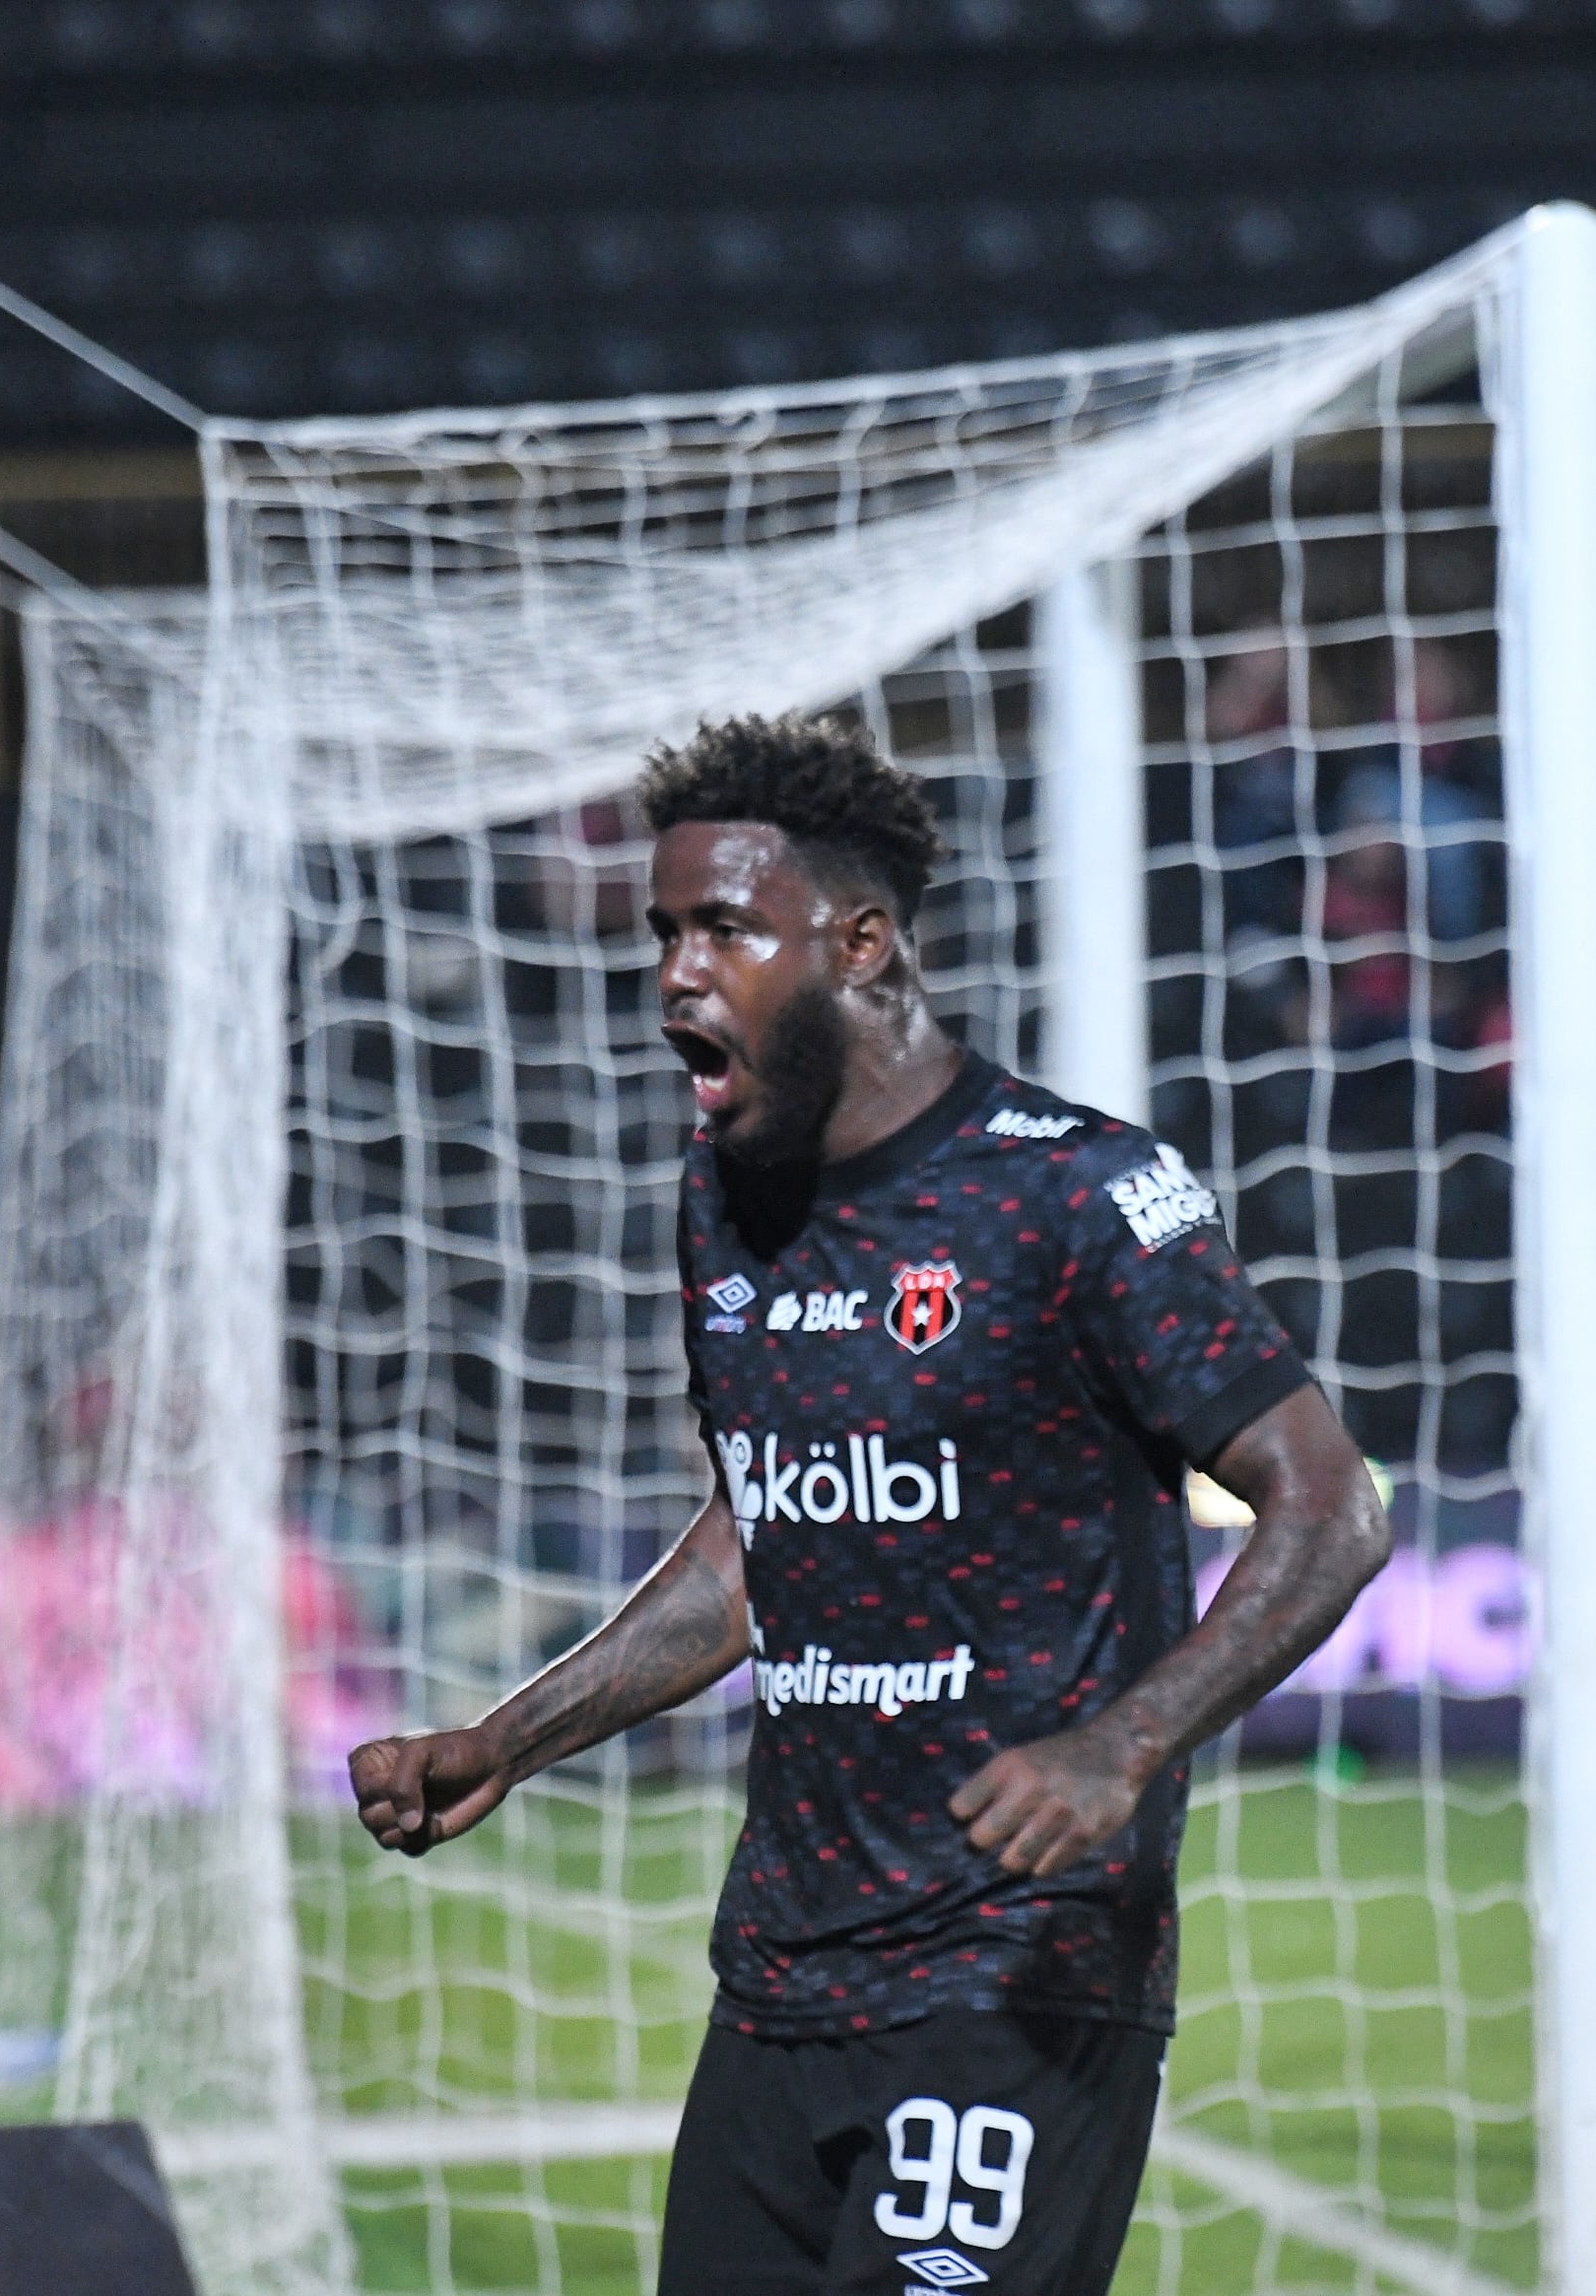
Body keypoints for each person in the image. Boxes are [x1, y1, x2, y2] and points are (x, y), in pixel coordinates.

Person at [348, 714, 1391, 2296]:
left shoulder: (1071, 1194)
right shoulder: (724, 1201)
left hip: (1015, 1968)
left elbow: (1326, 1507)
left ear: (859, 943)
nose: (674, 971)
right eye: (661, 932)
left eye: (721, 928)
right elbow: (754, 1541)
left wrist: (1121, 1742)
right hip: (775, 1973)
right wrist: (511, 1735)